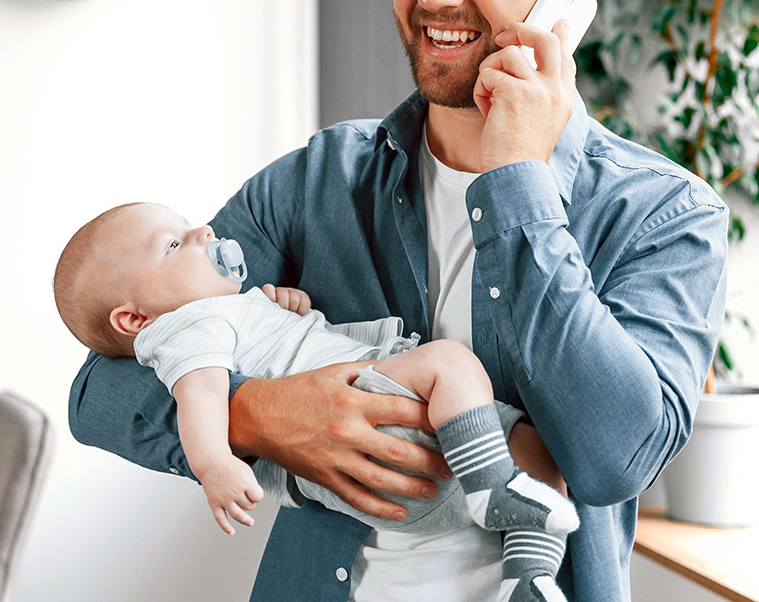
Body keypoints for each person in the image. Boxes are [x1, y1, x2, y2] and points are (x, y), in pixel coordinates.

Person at [68, 0, 728, 602]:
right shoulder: (318, 181)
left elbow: (614, 457)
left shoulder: (665, 215)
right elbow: (99, 392)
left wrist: (517, 175)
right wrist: (260, 415)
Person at [55, 201, 578, 602]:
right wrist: (214, 464)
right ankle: (490, 492)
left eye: (189, 225)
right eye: (173, 246)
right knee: (451, 363)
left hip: (402, 480)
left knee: (539, 454)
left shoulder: (223, 314)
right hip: (372, 436)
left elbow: (266, 348)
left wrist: (281, 311)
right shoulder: (188, 328)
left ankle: (528, 579)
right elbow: (202, 393)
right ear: (135, 319)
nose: (204, 232)